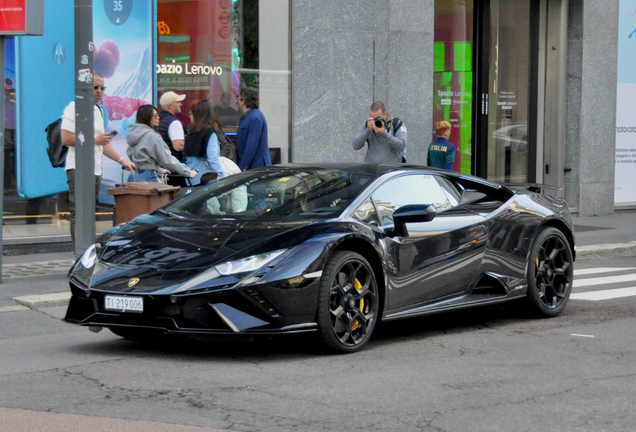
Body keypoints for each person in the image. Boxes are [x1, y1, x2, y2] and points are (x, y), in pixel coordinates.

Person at [60, 72, 135, 244]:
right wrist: (95, 140)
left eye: (102, 87)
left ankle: (87, 250)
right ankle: (80, 253)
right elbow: (66, 138)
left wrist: (121, 160)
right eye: (95, 87)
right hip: (78, 168)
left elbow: (102, 143)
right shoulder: (74, 108)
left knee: (88, 211)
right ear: (84, 87)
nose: (99, 91)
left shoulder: (97, 110)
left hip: (95, 168)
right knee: (79, 212)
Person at [126, 104, 197, 183]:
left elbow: (131, 154)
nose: (158, 117)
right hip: (148, 178)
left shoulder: (133, 134)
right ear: (147, 117)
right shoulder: (153, 136)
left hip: (133, 176)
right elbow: (167, 159)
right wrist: (188, 172)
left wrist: (158, 169)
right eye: (155, 115)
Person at [184, 100, 226, 185]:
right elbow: (212, 158)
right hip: (206, 179)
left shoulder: (190, 133)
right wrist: (222, 176)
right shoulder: (209, 133)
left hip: (191, 178)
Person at [236, 87, 271, 171]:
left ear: (243, 102)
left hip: (256, 166)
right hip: (253, 165)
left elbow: (251, 146)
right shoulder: (251, 116)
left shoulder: (255, 118)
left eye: (239, 99)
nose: (238, 101)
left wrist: (242, 167)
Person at [158, 91, 187, 186]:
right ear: (170, 105)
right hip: (173, 170)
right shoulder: (174, 122)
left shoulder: (157, 120)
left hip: (160, 168)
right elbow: (178, 146)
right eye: (178, 102)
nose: (181, 104)